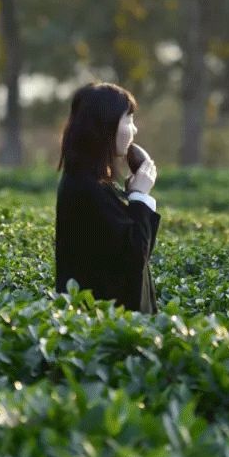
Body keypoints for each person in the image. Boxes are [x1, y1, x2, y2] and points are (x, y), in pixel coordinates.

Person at [54, 81, 162, 313]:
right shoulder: (88, 190)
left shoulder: (92, 184)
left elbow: (132, 254)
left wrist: (136, 198)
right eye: (128, 119)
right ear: (105, 126)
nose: (134, 130)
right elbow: (133, 260)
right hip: (108, 327)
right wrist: (140, 198)